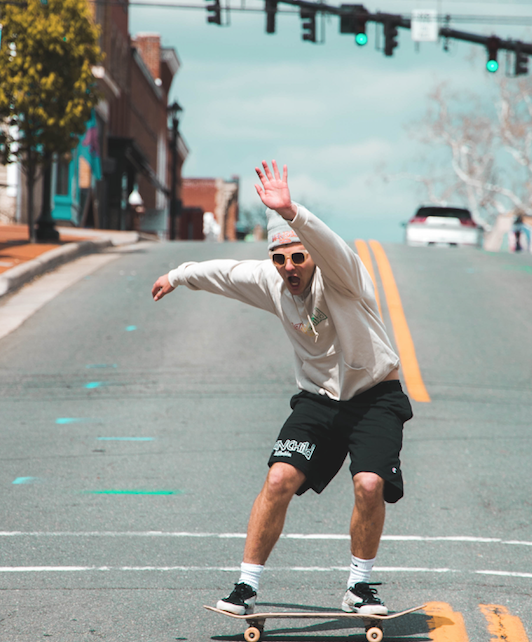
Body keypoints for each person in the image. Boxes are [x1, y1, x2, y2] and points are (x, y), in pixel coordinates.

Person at [151, 160, 413, 616]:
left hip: (375, 397)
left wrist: (293, 213)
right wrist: (178, 276)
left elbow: (331, 247)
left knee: (369, 485)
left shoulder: (342, 277)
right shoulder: (274, 281)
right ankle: (245, 586)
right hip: (317, 401)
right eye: (280, 259)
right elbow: (226, 274)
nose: (289, 268)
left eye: (297, 256)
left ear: (310, 254)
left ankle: (359, 587)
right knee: (278, 478)